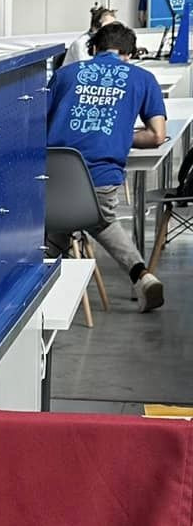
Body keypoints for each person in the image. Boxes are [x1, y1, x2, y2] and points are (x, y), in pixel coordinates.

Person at [46, 21, 167, 311]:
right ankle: (141, 274)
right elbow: (157, 135)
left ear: (94, 49)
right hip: (101, 185)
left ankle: (43, 281)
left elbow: (37, 126)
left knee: (59, 218)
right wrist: (118, 134)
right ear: (130, 54)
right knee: (99, 218)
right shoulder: (143, 78)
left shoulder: (64, 75)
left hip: (54, 185)